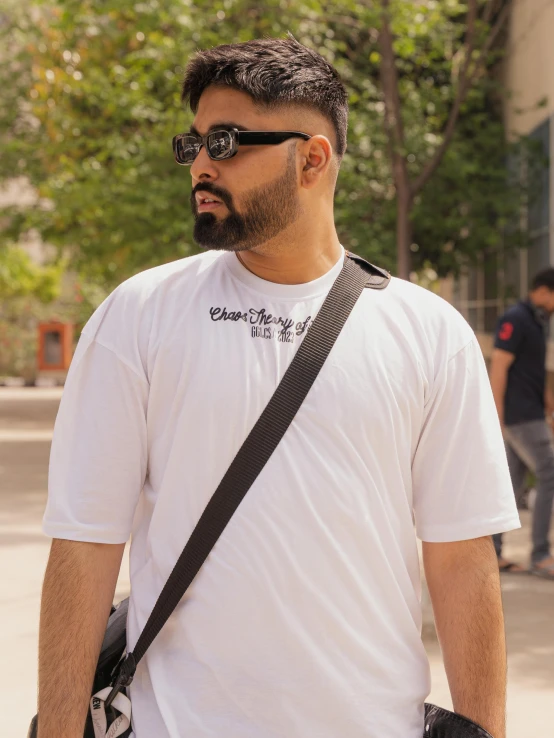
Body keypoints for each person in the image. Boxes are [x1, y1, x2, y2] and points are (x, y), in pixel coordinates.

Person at [37, 37, 519, 738]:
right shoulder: (138, 316)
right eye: (194, 143)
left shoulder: (428, 334)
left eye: (227, 142)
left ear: (313, 158)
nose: (201, 165)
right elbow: (83, 545)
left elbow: (462, 560)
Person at [489, 267, 554, 578]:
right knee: (549, 471)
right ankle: (541, 556)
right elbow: (499, 366)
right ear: (543, 291)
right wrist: (494, 415)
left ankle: (493, 555)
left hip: (529, 412)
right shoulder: (516, 318)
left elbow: (533, 372)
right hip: (519, 415)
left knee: (510, 485)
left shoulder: (538, 322)